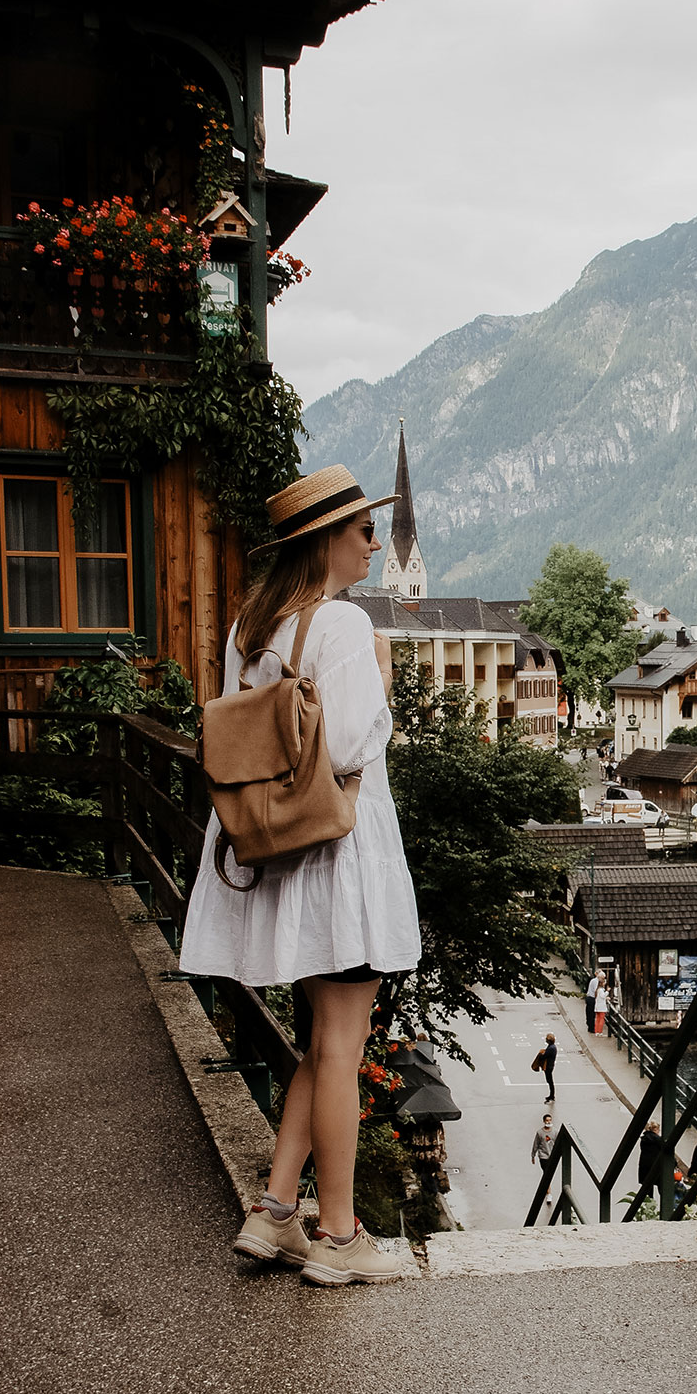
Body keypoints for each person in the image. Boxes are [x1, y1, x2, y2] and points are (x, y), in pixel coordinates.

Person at [179, 464, 421, 1286]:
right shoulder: (343, 626)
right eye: (360, 528)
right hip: (336, 858)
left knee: (321, 1044)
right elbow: (351, 744)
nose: (372, 540)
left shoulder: (251, 628)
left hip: (276, 855)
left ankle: (276, 1213)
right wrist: (381, 678)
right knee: (343, 1045)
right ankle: (341, 1237)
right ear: (325, 538)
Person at [539, 1031, 558, 1102]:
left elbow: (544, 1056)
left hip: (548, 1067)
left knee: (550, 1081)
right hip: (550, 1066)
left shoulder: (551, 1048)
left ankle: (552, 1095)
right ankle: (551, 1095)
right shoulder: (552, 1047)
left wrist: (540, 1054)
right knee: (550, 1081)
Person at [585, 968, 599, 1033]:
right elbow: (596, 991)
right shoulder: (596, 981)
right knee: (591, 1014)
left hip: (589, 997)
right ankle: (591, 1027)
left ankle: (589, 1025)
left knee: (589, 1013)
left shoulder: (593, 980)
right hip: (592, 998)